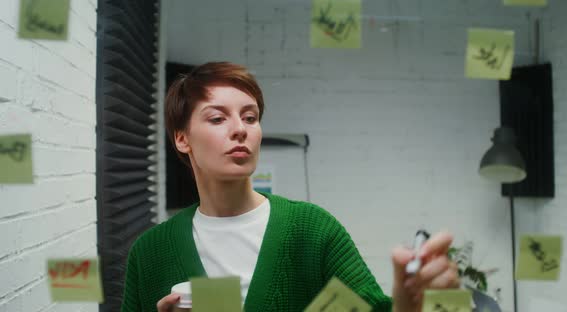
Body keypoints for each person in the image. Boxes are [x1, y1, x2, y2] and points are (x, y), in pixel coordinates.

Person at [121, 62, 459, 312]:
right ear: (182, 138)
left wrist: (410, 306)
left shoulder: (311, 232)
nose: (240, 129)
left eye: (250, 117)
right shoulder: (150, 253)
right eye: (217, 118)